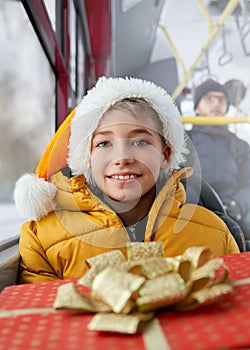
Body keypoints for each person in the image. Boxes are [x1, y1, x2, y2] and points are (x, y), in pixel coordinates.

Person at [14, 77, 240, 284]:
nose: (122, 158)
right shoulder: (42, 240)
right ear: (87, 157)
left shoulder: (215, 234)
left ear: (165, 155)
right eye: (104, 143)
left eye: (140, 142)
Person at [186, 78, 250, 247]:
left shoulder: (240, 145)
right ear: (197, 107)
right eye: (209, 99)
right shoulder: (185, 140)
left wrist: (238, 204)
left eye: (221, 99)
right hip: (196, 207)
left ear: (226, 107)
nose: (216, 103)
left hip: (234, 208)